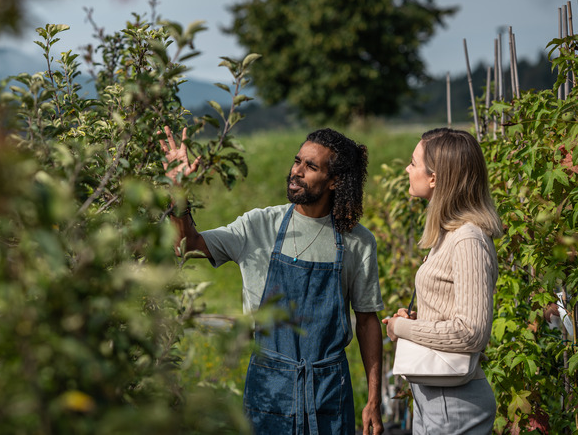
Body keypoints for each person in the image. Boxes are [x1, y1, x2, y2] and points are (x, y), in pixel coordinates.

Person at [160, 126, 384, 435]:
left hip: (330, 390)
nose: (296, 171)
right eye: (297, 161)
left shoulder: (358, 242)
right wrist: (178, 193)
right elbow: (186, 246)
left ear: (335, 181)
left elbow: (368, 320)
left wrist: (374, 400)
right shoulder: (259, 225)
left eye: (311, 166)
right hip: (269, 387)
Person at [382, 128, 502, 434]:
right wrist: (421, 321)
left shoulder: (467, 240)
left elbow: (471, 332)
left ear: (434, 177)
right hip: (436, 396)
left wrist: (402, 328)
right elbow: (451, 314)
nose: (407, 170)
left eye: (413, 163)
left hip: (454, 401)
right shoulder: (449, 236)